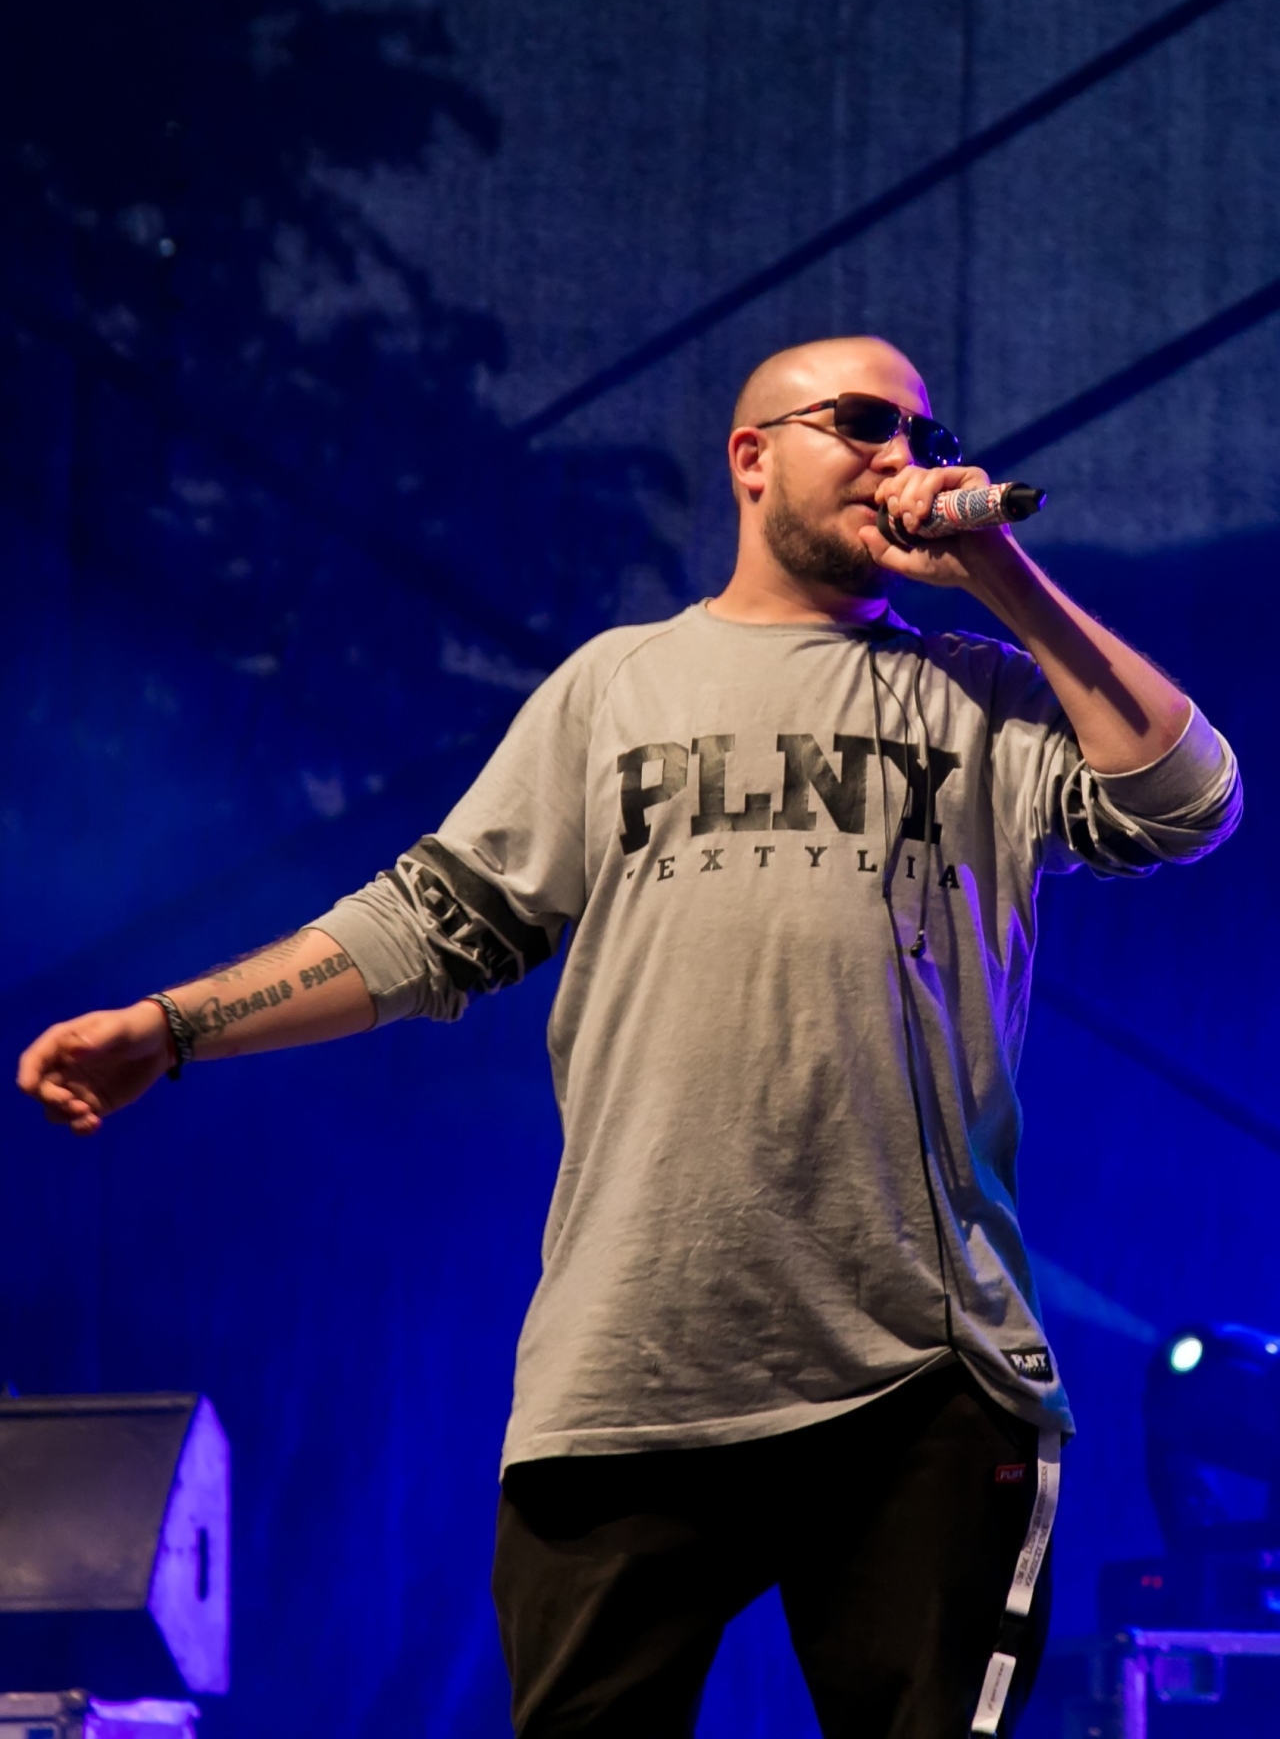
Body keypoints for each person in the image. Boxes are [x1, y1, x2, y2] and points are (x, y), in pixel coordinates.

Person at [18, 336, 1241, 1737]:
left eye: (924, 434)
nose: (902, 458)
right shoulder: (616, 690)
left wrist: (1001, 574)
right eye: (863, 424)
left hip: (925, 1375)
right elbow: (423, 928)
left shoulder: (983, 694)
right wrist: (172, 1025)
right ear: (752, 457)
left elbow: (1188, 800)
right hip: (634, 1364)